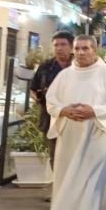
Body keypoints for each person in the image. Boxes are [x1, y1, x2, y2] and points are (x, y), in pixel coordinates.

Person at [44, 35, 106, 210]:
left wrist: (94, 111)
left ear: (94, 50)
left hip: (95, 134)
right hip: (69, 134)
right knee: (65, 178)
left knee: (90, 180)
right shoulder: (64, 75)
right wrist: (64, 110)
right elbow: (51, 101)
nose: (81, 52)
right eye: (78, 48)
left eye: (85, 48)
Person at [30, 31, 74, 172]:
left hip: (74, 118)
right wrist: (40, 98)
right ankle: (59, 189)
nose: (59, 48)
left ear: (71, 46)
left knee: (74, 155)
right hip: (49, 118)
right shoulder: (45, 67)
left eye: (63, 44)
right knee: (55, 155)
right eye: (56, 45)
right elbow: (33, 89)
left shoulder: (79, 66)